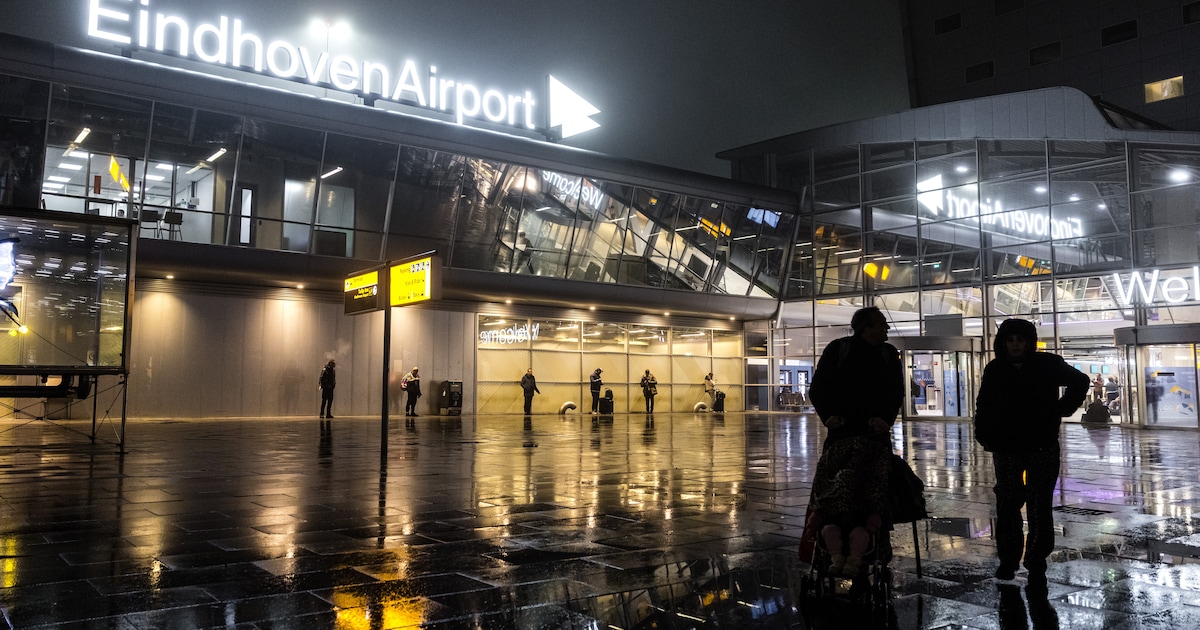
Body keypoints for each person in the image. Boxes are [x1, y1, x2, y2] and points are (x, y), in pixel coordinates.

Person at [974, 318, 1089, 583]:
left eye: (1021, 340)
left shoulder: (1046, 364)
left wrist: (1060, 409)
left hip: (1041, 445)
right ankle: (1009, 558)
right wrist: (984, 434)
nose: (1015, 345)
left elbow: (1080, 381)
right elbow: (985, 404)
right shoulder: (996, 369)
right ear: (1003, 342)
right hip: (1008, 446)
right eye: (1010, 340)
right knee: (1007, 502)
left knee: (1039, 504)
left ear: (1029, 342)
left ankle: (1036, 557)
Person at [808, 306, 904, 449]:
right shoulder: (838, 349)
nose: (887, 327)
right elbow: (818, 388)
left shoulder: (889, 353)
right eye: (882, 324)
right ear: (867, 329)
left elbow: (896, 391)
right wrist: (827, 415)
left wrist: (887, 419)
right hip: (844, 432)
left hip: (873, 433)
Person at [806, 434, 890, 577]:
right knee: (830, 531)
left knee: (857, 535)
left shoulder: (832, 498)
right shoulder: (856, 498)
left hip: (855, 526)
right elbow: (818, 514)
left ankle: (853, 561)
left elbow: (818, 513)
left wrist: (872, 524)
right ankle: (838, 559)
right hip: (846, 525)